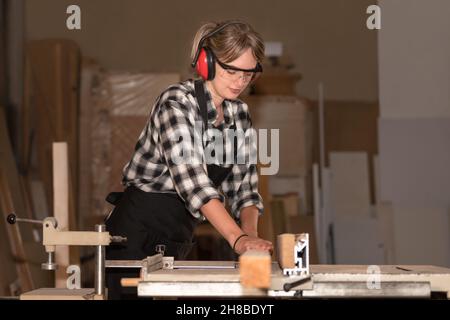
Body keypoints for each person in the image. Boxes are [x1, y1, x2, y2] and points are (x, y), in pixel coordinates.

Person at [105, 20, 273, 299]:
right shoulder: (176, 103)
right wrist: (238, 239)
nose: (239, 82)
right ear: (206, 62)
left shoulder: (239, 115)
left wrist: (250, 239)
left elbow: (245, 190)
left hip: (176, 236)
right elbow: (194, 185)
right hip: (135, 234)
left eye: (248, 74)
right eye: (231, 70)